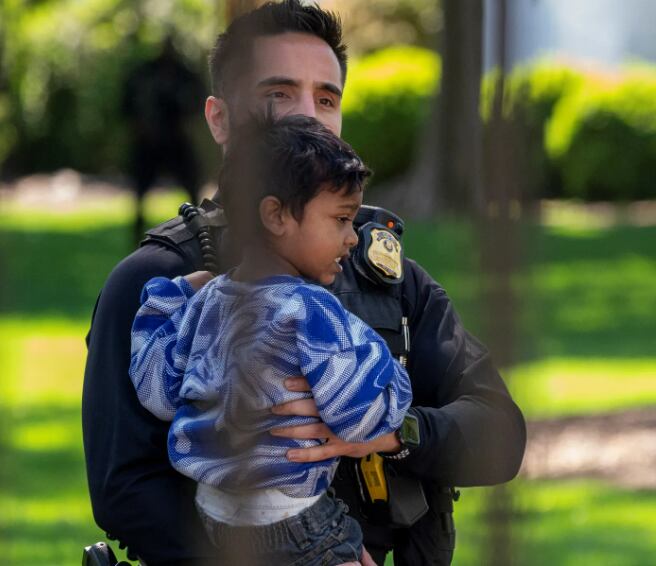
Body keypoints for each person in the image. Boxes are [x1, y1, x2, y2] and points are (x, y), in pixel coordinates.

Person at [82, 2, 527, 565]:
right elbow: (127, 492)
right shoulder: (157, 283)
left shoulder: (386, 274)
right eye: (278, 94)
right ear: (218, 119)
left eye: (326, 98)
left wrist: (390, 433)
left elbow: (501, 436)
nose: (307, 116)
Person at [128, 114, 412, 565]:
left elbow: (156, 392)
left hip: (216, 524)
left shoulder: (208, 301)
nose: (352, 239)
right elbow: (363, 416)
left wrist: (169, 297)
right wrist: (393, 375)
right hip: (298, 528)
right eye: (341, 219)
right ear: (276, 215)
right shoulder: (311, 311)